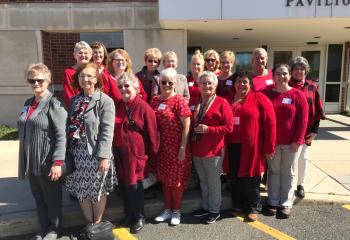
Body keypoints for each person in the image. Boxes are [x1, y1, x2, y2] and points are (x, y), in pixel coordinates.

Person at [18, 63, 67, 240]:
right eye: (32, 80)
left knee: (52, 198)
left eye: (40, 80)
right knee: (38, 197)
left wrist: (58, 162)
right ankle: (44, 228)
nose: (36, 83)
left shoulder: (54, 103)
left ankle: (55, 229)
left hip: (47, 160)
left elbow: (62, 135)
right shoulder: (27, 103)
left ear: (48, 80)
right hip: (31, 160)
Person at [65, 63, 116, 225]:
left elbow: (107, 131)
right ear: (77, 79)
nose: (85, 79)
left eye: (89, 76)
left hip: (96, 153)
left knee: (98, 190)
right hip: (78, 153)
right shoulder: (74, 100)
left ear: (96, 79)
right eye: (81, 76)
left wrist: (104, 157)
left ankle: (97, 225)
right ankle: (89, 224)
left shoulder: (105, 101)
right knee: (82, 191)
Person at [225, 71, 276, 222]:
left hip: (251, 147)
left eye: (245, 81)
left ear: (251, 84)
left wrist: (269, 147)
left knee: (251, 177)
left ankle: (254, 207)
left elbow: (270, 123)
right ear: (234, 84)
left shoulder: (259, 98)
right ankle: (239, 204)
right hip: (231, 145)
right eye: (238, 81)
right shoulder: (227, 99)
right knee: (234, 176)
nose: (241, 84)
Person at [113, 72, 160, 233]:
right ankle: (129, 214)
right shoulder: (118, 105)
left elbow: (153, 134)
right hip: (119, 153)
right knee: (123, 186)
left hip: (135, 154)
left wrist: (153, 158)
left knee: (134, 186)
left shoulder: (143, 107)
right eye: (120, 86)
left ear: (135, 86)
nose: (123, 89)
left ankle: (139, 216)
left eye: (126, 85)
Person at [265, 64, 308, 219]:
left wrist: (298, 140)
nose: (281, 76)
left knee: (288, 173)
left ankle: (285, 203)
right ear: (273, 76)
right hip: (273, 143)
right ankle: (272, 201)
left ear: (289, 75)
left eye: (284, 73)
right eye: (278, 73)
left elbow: (303, 120)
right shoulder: (267, 94)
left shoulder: (298, 95)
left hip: (292, 144)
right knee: (274, 171)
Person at [191, 71, 233, 224]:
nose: (206, 86)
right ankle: (206, 206)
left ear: (215, 86)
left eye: (210, 83)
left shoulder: (222, 102)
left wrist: (209, 129)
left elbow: (229, 127)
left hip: (213, 150)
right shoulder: (196, 102)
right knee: (203, 181)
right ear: (198, 85)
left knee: (213, 182)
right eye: (203, 83)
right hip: (197, 149)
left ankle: (215, 210)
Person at [150, 68, 192, 226]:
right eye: (163, 82)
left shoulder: (179, 100)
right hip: (161, 149)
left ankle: (176, 211)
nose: (166, 85)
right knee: (165, 180)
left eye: (170, 82)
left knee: (176, 182)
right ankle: (167, 209)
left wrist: (182, 148)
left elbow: (187, 125)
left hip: (177, 148)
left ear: (175, 84)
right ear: (159, 82)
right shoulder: (154, 100)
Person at [289, 56, 325, 199]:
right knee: (290, 159)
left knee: (303, 158)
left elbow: (318, 110)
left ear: (306, 71)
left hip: (306, 130)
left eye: (302, 69)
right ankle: (289, 185)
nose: (299, 71)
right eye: (296, 69)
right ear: (291, 70)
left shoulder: (312, 87)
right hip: (289, 130)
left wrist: (315, 131)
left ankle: (301, 185)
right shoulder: (286, 85)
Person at [63, 41, 92, 107]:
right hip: (76, 107)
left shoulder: (94, 71)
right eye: (80, 53)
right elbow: (69, 95)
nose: (83, 55)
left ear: (90, 56)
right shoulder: (69, 72)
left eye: (86, 53)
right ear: (74, 55)